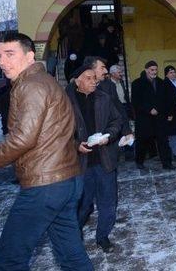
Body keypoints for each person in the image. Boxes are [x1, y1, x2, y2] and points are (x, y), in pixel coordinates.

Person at [0, 33, 92, 270]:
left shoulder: (31, 85)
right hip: (65, 180)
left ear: (30, 55)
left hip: (45, 185)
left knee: (9, 260)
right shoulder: (44, 81)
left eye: (10, 54)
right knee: (71, 257)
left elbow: (23, 138)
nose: (2, 62)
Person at [66, 65, 123, 253]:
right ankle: (75, 235)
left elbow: (117, 121)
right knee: (83, 205)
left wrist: (109, 135)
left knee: (108, 203)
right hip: (80, 165)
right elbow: (58, 133)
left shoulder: (104, 98)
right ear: (77, 81)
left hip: (104, 160)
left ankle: (103, 236)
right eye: (89, 78)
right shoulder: (66, 102)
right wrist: (75, 145)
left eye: (94, 78)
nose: (94, 81)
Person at [131, 60, 175, 170]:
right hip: (144, 119)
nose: (154, 72)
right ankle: (139, 161)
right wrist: (149, 110)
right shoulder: (137, 83)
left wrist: (169, 113)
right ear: (146, 70)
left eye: (155, 70)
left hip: (160, 118)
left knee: (163, 141)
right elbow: (136, 102)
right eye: (151, 70)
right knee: (142, 141)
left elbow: (166, 100)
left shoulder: (161, 83)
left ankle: (167, 163)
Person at [85, 56, 131, 136]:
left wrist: (127, 131)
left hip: (108, 135)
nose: (106, 71)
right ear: (91, 70)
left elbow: (118, 108)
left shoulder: (110, 85)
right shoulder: (76, 88)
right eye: (102, 68)